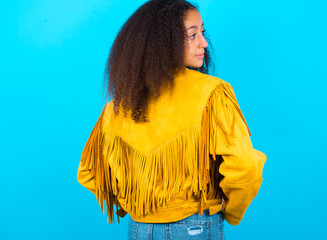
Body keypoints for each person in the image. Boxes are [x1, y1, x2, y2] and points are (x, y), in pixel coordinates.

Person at [77, 0, 267, 239]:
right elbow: (244, 167)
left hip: (139, 228)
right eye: (192, 35)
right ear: (162, 42)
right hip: (195, 225)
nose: (204, 43)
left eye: (202, 32)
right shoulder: (212, 93)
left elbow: (89, 173)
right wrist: (230, 212)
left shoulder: (116, 106)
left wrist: (138, 205)